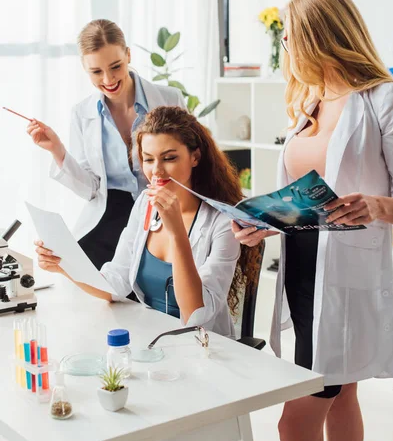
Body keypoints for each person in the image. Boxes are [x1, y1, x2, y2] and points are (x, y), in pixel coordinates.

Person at [232, 0, 393, 441]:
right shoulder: (309, 103)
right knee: (342, 392)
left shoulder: (383, 99)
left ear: (318, 38)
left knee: (294, 420)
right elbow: (299, 200)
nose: (285, 48)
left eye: (289, 38)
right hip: (301, 274)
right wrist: (262, 223)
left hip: (349, 277)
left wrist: (377, 207)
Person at [34, 106, 260, 336]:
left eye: (169, 158)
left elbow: (196, 315)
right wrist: (64, 265)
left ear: (195, 157)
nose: (157, 171)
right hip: (151, 338)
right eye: (148, 159)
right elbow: (116, 283)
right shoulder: (145, 203)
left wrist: (177, 233)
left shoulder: (223, 221)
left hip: (203, 346)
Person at [27, 20, 185, 270]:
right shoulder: (82, 113)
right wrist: (57, 150)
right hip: (108, 216)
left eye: (116, 66)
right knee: (75, 273)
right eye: (96, 72)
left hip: (161, 211)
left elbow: (194, 165)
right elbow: (90, 189)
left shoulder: (170, 99)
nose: (109, 79)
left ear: (128, 55)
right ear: (84, 68)